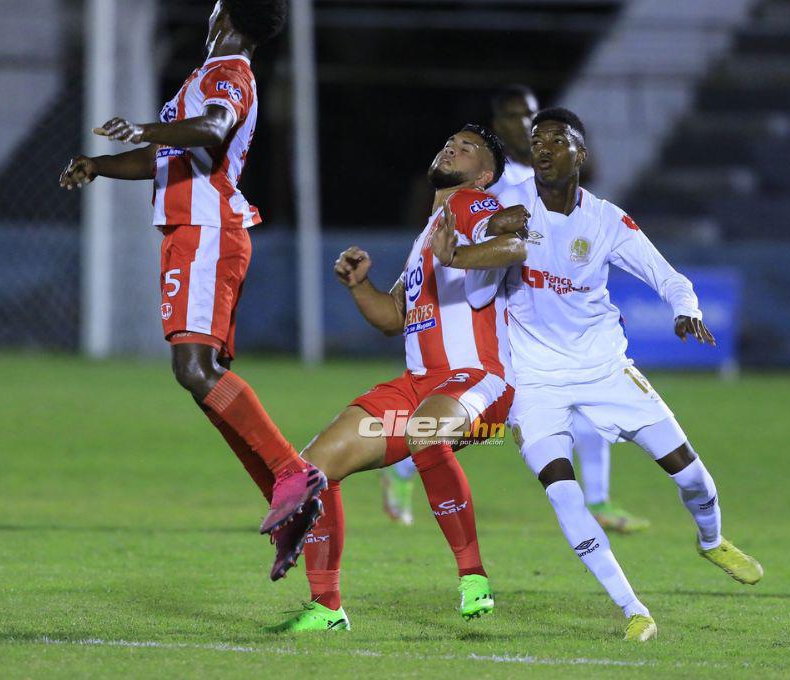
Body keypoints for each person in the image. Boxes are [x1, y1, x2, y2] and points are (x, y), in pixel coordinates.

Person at [451, 108, 763, 642]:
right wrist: (492, 251)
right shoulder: (508, 213)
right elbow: (477, 292)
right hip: (536, 381)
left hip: (605, 370)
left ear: (582, 154)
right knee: (562, 491)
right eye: (536, 140)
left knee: (692, 476)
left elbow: (668, 277)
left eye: (557, 139)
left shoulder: (606, 221)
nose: (544, 148)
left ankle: (711, 541)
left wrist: (687, 309)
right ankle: (632, 608)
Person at [58, 0, 327, 578]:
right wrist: (101, 166)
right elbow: (170, 157)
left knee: (194, 371)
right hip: (196, 233)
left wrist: (148, 125)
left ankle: (291, 471)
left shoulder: (228, 74)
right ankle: (288, 503)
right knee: (204, 382)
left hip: (206, 234)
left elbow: (214, 127)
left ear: (225, 15)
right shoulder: (211, 75)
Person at [266, 124, 529, 631]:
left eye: (468, 148)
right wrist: (360, 285)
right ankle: (326, 607)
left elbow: (516, 246)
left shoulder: (473, 207)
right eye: (450, 142)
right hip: (417, 383)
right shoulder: (427, 234)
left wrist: (461, 255)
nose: (452, 147)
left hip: (475, 378)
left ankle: (473, 576)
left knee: (424, 431)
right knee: (314, 468)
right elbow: (392, 317)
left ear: (486, 175)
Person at [382, 85, 649, 534]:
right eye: (512, 116)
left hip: (544, 305)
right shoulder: (490, 181)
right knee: (491, 413)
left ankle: (599, 500)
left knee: (583, 403)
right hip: (503, 309)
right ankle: (404, 469)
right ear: (499, 124)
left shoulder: (542, 175)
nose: (522, 124)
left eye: (529, 115)